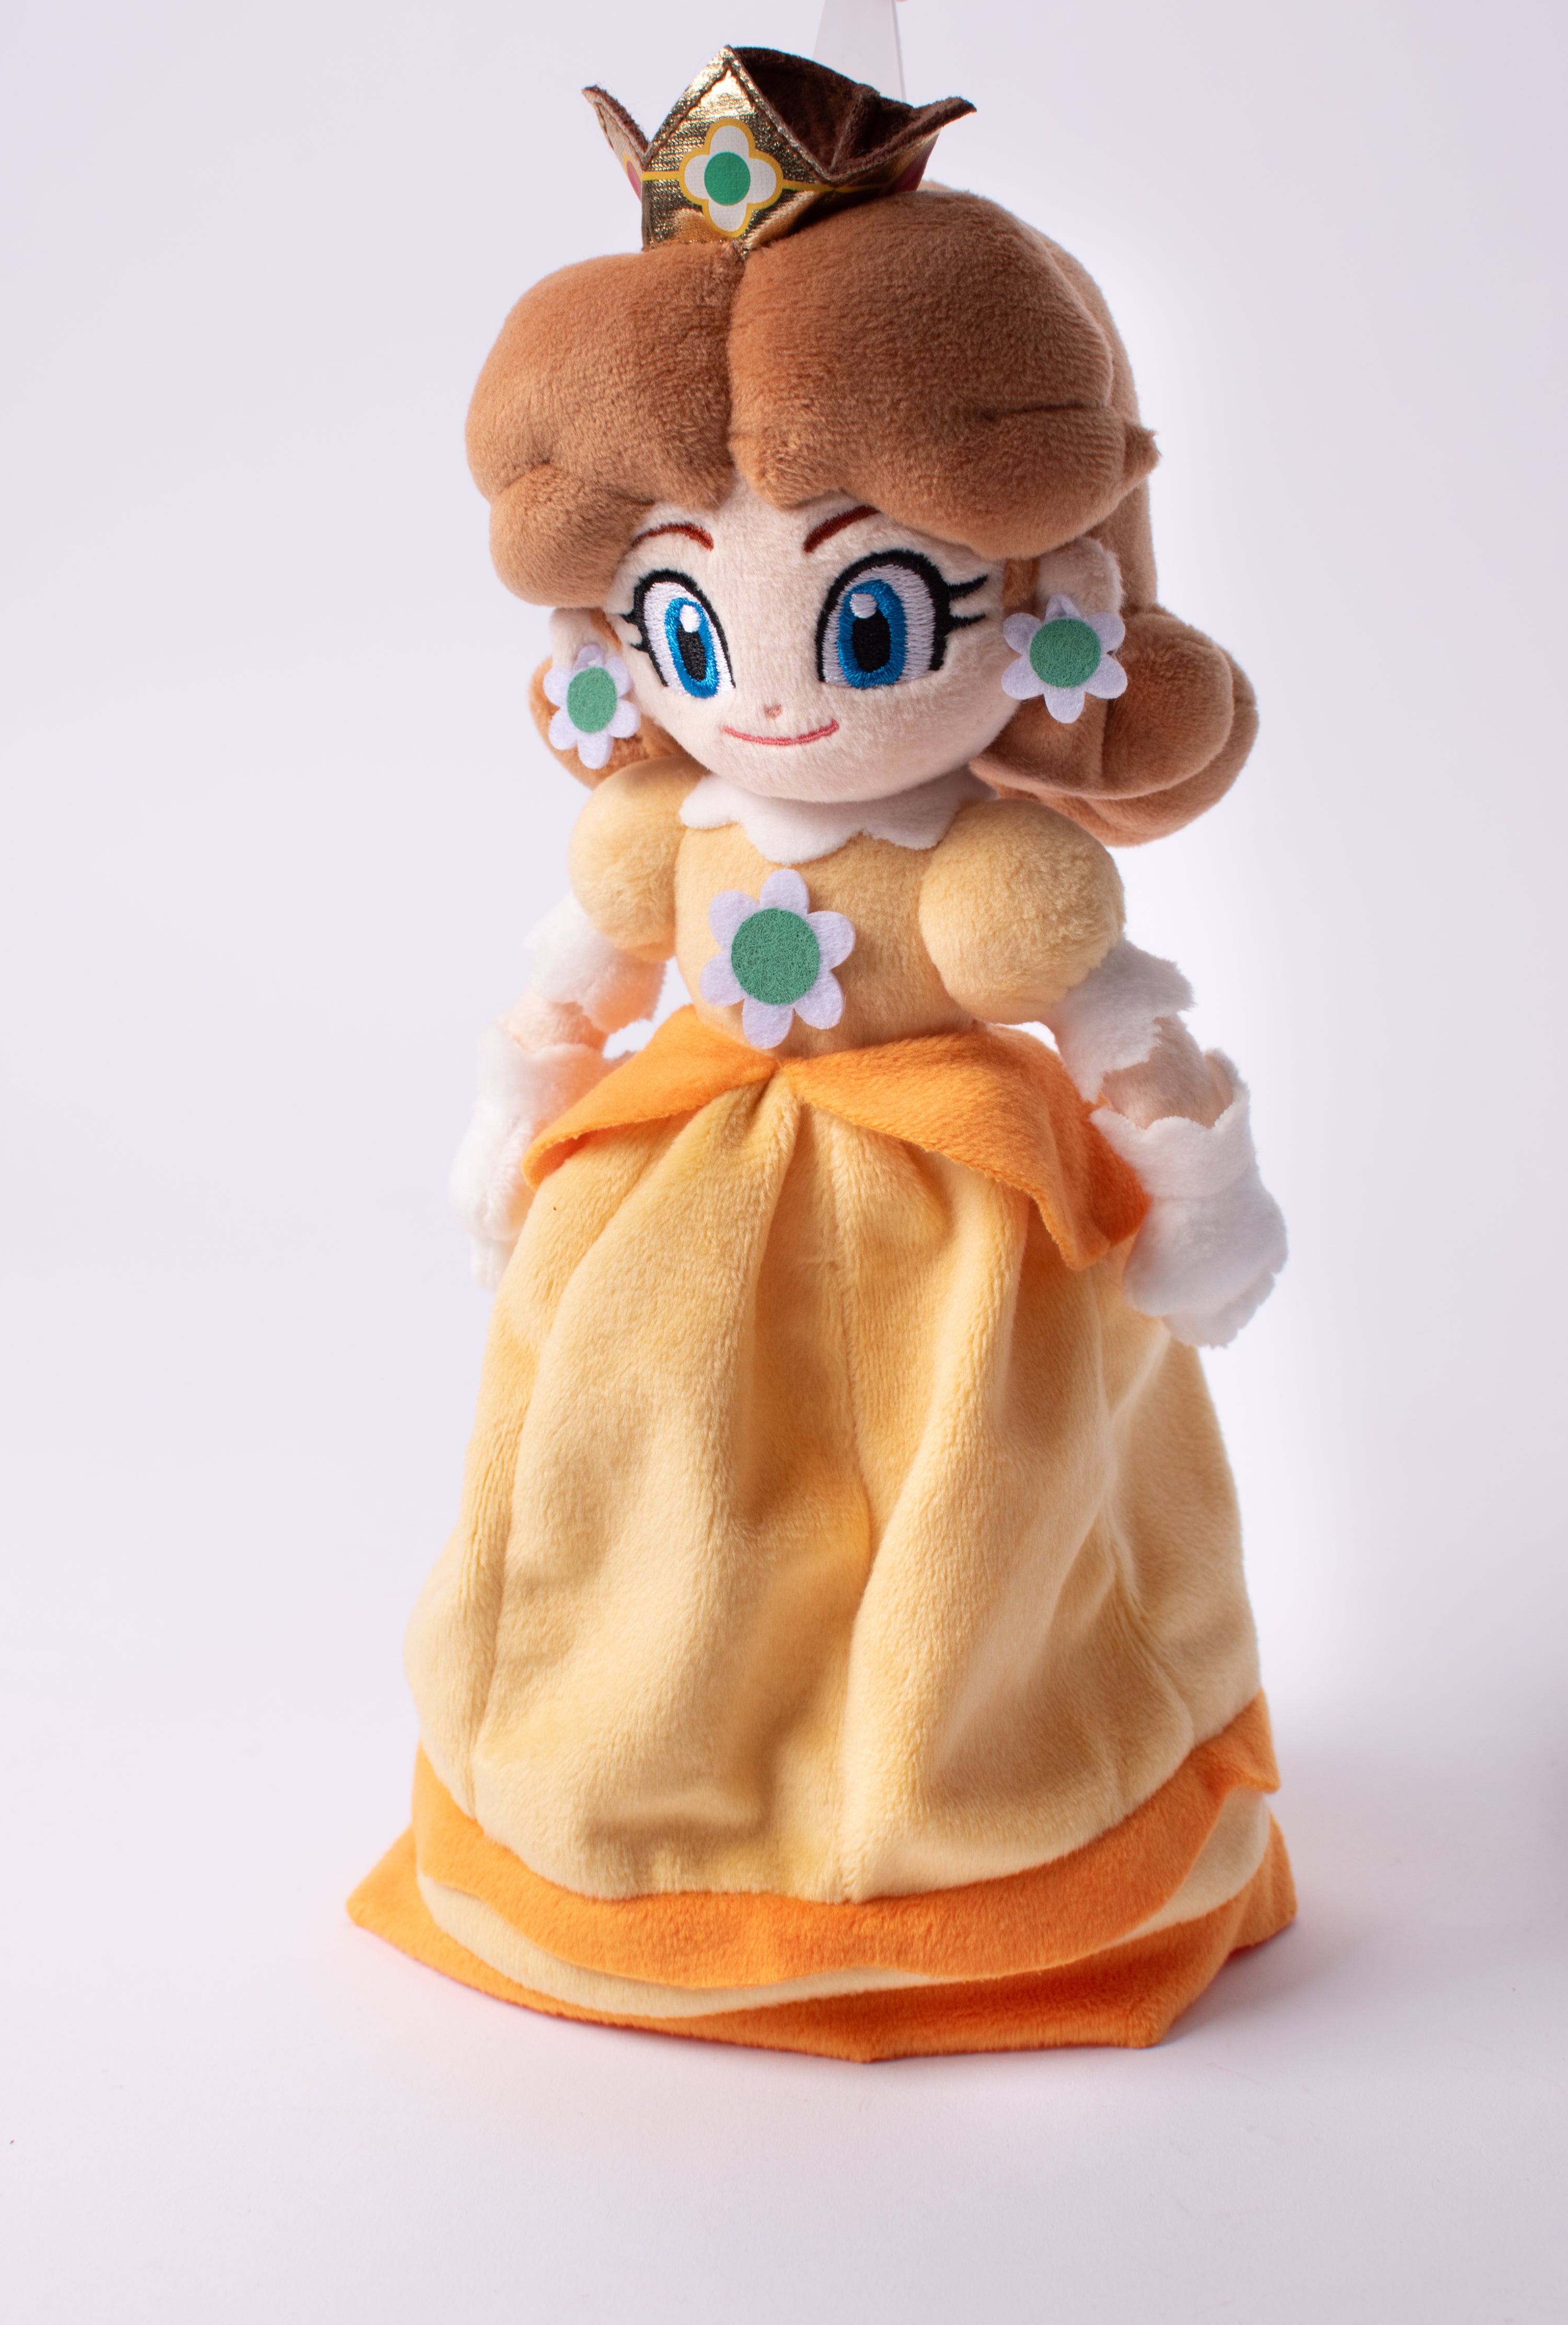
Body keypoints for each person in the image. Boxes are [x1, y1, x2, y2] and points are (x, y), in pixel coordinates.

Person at [351, 47, 1292, 2060]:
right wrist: (518, 1104)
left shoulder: (997, 878)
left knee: (979, 1510)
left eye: (869, 623)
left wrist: (1195, 1185)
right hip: (667, 1200)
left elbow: (1125, 1029)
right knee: (649, 1498)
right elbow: (579, 974)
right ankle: (640, 1822)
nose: (770, 699)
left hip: (961, 1229)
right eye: (690, 629)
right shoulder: (662, 831)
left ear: (1044, 596)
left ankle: (990, 1840)